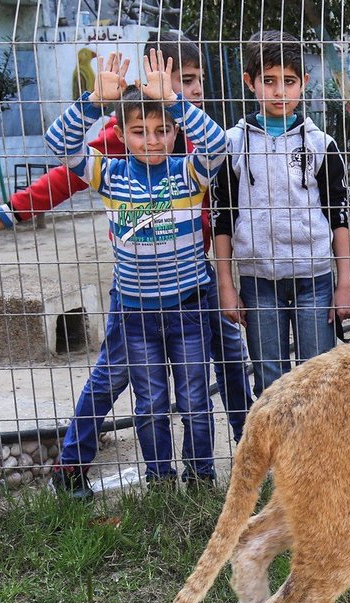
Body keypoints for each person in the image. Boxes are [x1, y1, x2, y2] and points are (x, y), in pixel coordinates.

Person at [0, 33, 252, 498]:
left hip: (200, 283)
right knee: (126, 382)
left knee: (224, 370)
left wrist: (175, 102)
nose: (191, 92)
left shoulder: (197, 145)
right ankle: (75, 466)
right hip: (138, 297)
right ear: (148, 85)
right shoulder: (124, 139)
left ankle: (242, 458)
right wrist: (9, 211)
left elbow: (220, 167)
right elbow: (63, 168)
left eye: (196, 83)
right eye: (182, 82)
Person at [45, 50, 228, 488]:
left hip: (187, 308)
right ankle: (160, 480)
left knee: (195, 399)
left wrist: (174, 102)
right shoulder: (108, 175)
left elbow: (218, 145)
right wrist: (94, 103)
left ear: (174, 132)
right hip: (135, 313)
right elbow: (59, 146)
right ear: (122, 135)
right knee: (149, 404)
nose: (152, 140)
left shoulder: (188, 174)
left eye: (162, 131)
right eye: (140, 132)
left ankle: (201, 476)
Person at [213, 30, 350, 395]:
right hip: (259, 283)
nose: (279, 92)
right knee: (270, 382)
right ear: (250, 82)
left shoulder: (322, 144)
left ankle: (319, 453)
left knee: (318, 380)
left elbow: (339, 216)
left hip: (315, 280)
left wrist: (343, 284)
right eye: (269, 81)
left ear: (303, 83)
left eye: (288, 82)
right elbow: (222, 219)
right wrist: (226, 286)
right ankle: (277, 455)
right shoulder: (232, 145)